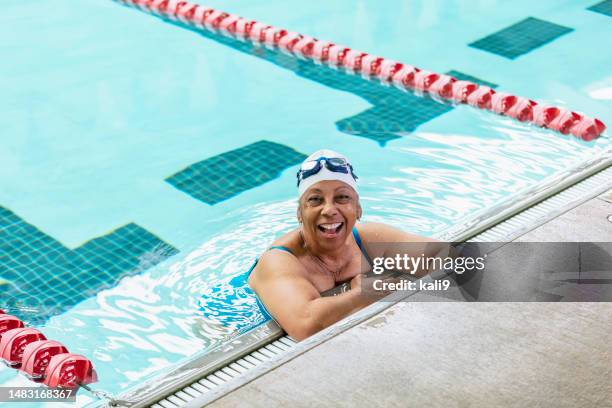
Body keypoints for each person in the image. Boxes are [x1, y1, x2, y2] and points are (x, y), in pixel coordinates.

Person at [248, 149, 439, 341]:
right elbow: (305, 325)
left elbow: (450, 257)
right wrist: (363, 294)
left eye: (342, 197)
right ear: (299, 213)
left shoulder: (369, 239)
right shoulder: (278, 260)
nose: (329, 210)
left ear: (358, 209)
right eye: (315, 200)